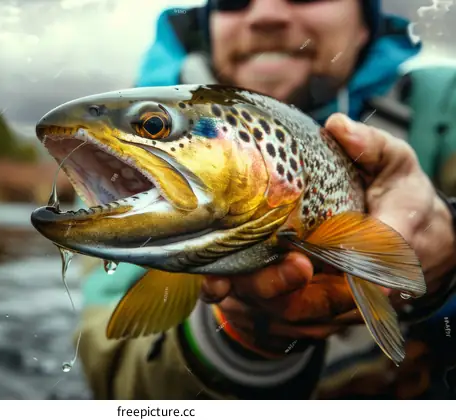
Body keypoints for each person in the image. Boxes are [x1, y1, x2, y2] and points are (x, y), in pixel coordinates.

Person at [74, 0, 456, 399]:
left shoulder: (447, 103)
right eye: (233, 0)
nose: (265, 14)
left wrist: (450, 254)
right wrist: (237, 340)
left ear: (365, 22)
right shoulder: (135, 175)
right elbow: (120, 386)